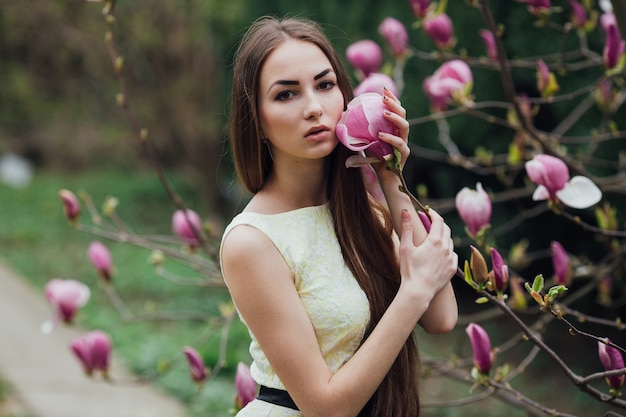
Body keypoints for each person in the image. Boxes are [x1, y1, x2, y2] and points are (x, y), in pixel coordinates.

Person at [220, 16, 458, 417]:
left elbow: (441, 316)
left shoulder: (363, 209)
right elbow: (326, 407)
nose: (314, 108)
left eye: (325, 85)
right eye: (286, 95)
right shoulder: (252, 241)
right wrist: (412, 292)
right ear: (256, 119)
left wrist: (389, 170)